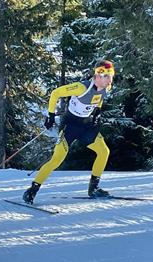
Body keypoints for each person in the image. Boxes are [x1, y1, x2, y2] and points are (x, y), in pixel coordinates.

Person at [23, 60, 115, 204]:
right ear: (98, 75)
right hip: (70, 127)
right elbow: (55, 93)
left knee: (104, 152)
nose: (110, 79)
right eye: (107, 76)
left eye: (111, 75)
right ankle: (32, 190)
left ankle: (94, 189)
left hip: (86, 126)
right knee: (56, 160)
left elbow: (99, 99)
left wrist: (97, 112)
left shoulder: (105, 88)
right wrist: (51, 115)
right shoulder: (81, 87)